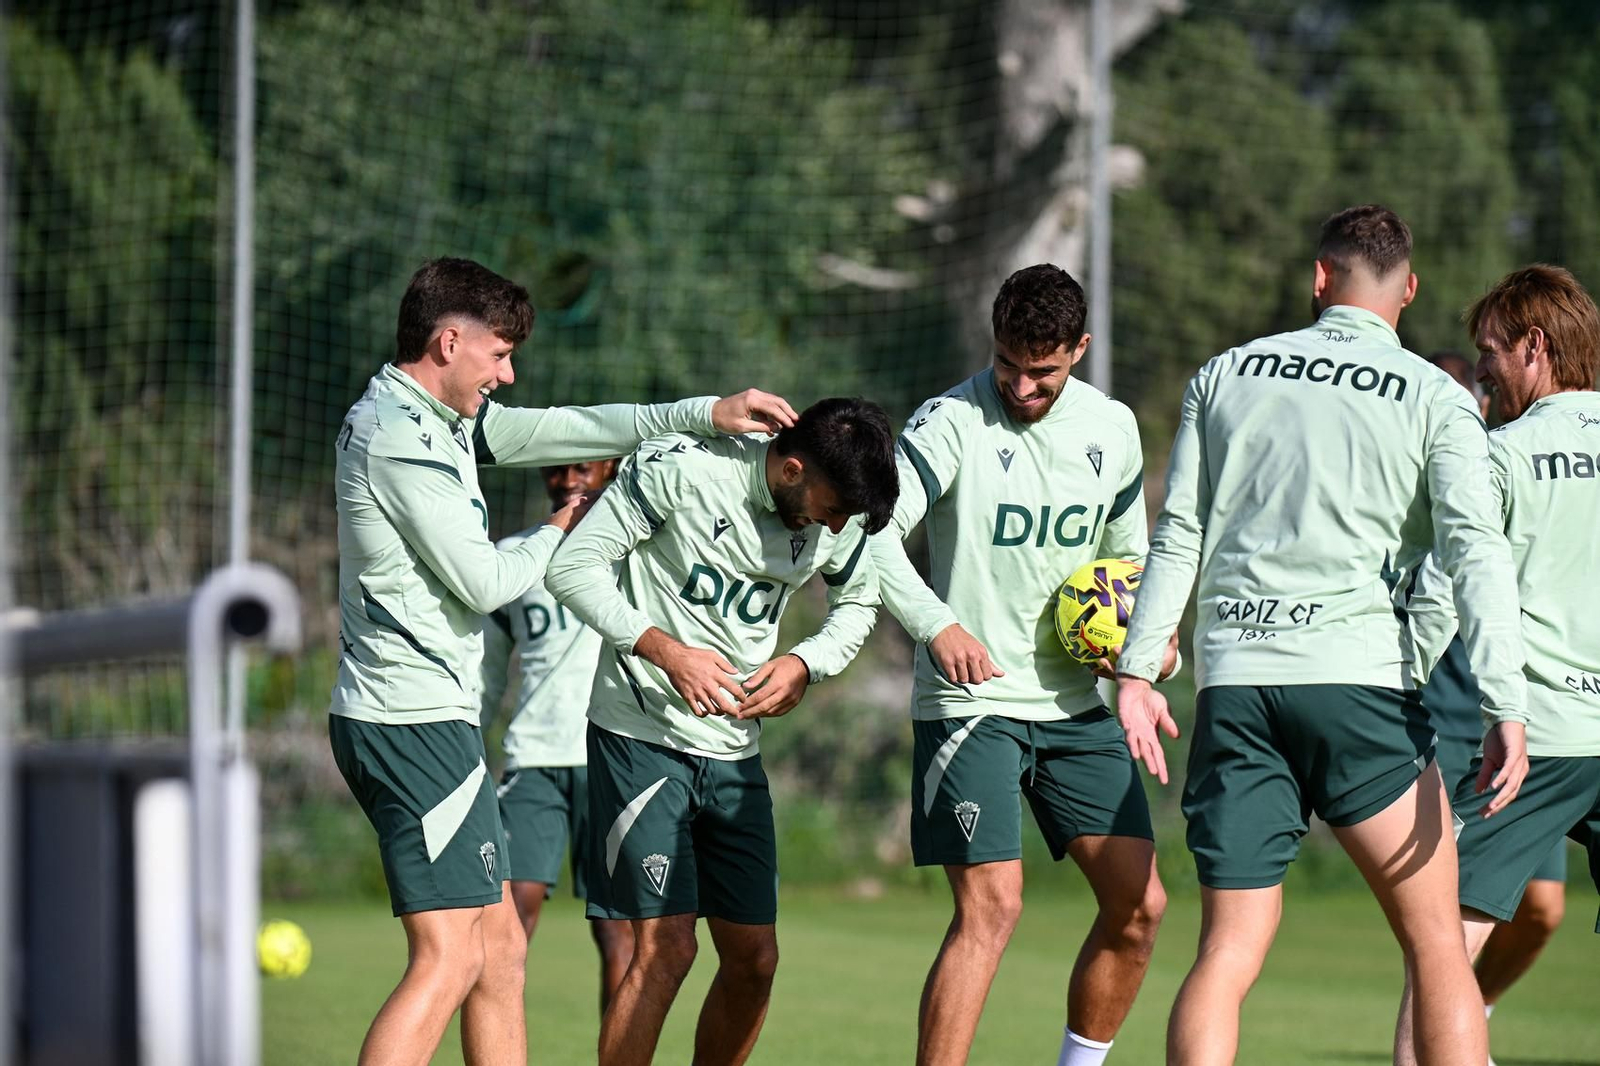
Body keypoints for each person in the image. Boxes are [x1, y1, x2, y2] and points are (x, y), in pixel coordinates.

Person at [328, 256, 798, 1066]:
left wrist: (703, 413)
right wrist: (561, 527)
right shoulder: (397, 437)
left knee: (501, 949)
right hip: (406, 721)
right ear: (448, 343)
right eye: (499, 355)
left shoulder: (437, 420)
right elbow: (482, 582)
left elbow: (566, 426)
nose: (507, 375)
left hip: (435, 720)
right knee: (450, 956)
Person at [1115, 205, 1529, 1066]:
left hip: (1235, 683)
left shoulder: (1225, 372)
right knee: (1437, 945)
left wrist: (1136, 671)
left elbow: (1178, 531)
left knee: (1227, 951)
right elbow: (1473, 556)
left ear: (1319, 277)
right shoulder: (1436, 395)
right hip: (1356, 685)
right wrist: (1505, 703)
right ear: (1409, 289)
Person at [867, 264, 1177, 1066]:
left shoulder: (1111, 428)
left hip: (1074, 708)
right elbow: (871, 537)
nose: (1021, 385)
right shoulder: (948, 424)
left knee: (1139, 908)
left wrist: (1146, 653)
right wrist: (937, 627)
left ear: (1080, 348)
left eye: (1043, 371)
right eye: (1008, 364)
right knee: (993, 908)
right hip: (971, 706)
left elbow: (1129, 570)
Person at [545, 397, 898, 1066]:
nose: (837, 525)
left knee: (755, 959)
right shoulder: (686, 471)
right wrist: (664, 650)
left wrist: (804, 662)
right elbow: (571, 568)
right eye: (831, 509)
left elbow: (857, 605)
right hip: (640, 739)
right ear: (792, 468)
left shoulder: (836, 516)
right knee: (668, 949)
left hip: (735, 755)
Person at [1395, 265, 1600, 1066]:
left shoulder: (1502, 455)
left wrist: (1388, 690)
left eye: (1489, 350)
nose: (1480, 369)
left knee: (1442, 955)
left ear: (1534, 347)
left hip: (1536, 742)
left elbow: (1448, 591)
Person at [1420, 352, 1567, 1059]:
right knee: (1447, 925)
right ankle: (1447, 1033)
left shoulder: (1511, 466)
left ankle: (1466, 1016)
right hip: (1447, 731)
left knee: (1541, 910)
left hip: (1534, 726)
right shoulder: (1424, 483)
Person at [481, 459, 634, 1015]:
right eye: (555, 469)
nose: (567, 480)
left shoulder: (638, 549)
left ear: (611, 469)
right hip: (534, 760)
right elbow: (488, 673)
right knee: (506, 927)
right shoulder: (514, 557)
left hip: (616, 758)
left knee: (619, 934)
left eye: (582, 467)